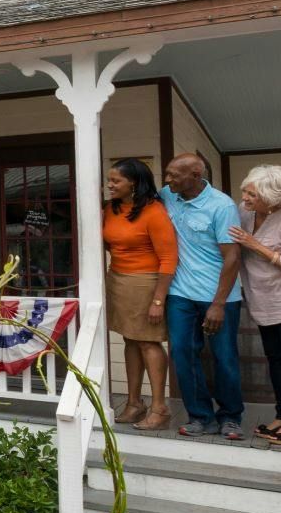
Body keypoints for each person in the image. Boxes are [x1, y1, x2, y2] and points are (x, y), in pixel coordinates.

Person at [158, 154, 244, 439]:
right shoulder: (168, 197)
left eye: (174, 175)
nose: (167, 180)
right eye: (167, 174)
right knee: (182, 352)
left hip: (218, 296)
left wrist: (218, 304)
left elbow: (231, 257)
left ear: (195, 175)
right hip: (180, 294)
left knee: (224, 357)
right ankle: (200, 416)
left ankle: (230, 416)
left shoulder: (222, 206)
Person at [230, 165, 281, 445]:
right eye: (245, 190)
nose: (245, 197)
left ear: (272, 197)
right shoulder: (245, 213)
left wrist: (256, 246)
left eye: (252, 193)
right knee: (275, 358)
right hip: (261, 297)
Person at [101, 158, 177, 431]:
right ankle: (134, 403)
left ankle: (160, 408)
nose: (110, 185)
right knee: (130, 341)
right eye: (109, 180)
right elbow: (111, 244)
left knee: (148, 342)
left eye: (116, 181)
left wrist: (159, 299)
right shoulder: (111, 209)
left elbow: (169, 258)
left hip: (146, 282)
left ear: (133, 183)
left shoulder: (154, 211)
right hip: (118, 279)